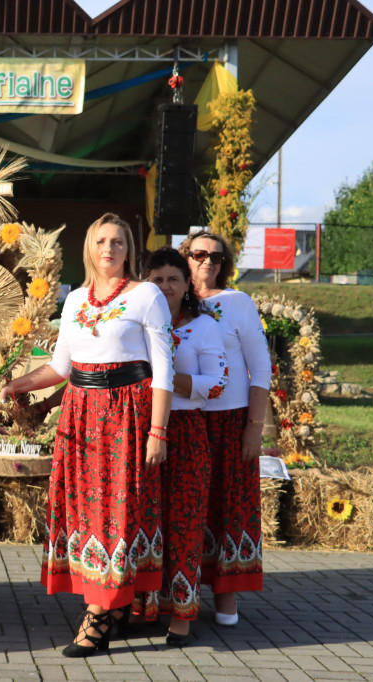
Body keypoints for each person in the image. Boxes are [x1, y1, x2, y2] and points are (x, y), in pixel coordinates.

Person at [0, 213, 173, 658]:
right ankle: (107, 603)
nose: (109, 249)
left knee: (119, 510)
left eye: (118, 242)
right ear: (89, 248)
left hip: (126, 416)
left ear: (129, 249)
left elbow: (163, 371)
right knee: (84, 510)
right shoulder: (74, 299)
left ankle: (99, 613)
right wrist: (19, 384)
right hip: (80, 416)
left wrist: (158, 431)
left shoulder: (146, 295)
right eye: (101, 241)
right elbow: (61, 367)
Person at [181, 231, 271, 626]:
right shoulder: (167, 301)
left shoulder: (238, 303)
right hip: (183, 417)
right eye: (199, 254)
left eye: (216, 258)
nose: (207, 262)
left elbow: (261, 367)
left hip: (231, 420)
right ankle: (176, 594)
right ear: (185, 258)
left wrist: (254, 426)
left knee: (228, 504)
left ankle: (226, 595)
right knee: (184, 507)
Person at [142, 247, 228, 646]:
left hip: (187, 431)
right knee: (142, 518)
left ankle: (181, 615)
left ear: (186, 284)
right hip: (138, 427)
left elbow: (217, 383)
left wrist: (167, 377)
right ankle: (140, 607)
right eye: (156, 279)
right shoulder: (135, 324)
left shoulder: (204, 327)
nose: (165, 286)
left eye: (173, 279)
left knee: (183, 520)